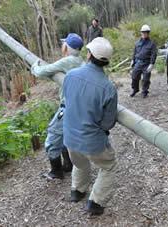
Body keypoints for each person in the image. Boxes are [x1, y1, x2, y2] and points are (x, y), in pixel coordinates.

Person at [62, 37, 117, 216]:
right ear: (106, 62)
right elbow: (108, 122)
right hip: (92, 142)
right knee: (109, 166)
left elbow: (66, 102)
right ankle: (95, 203)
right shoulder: (108, 88)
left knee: (80, 161)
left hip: (69, 138)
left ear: (88, 55)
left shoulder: (70, 76)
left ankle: (77, 191)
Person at [31, 33, 84, 180]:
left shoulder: (68, 61)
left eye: (64, 44)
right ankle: (68, 165)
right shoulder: (81, 61)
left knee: (53, 136)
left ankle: (56, 171)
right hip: (79, 108)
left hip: (68, 107)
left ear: (67, 46)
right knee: (66, 135)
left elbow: (42, 72)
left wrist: (35, 65)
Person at [130, 24, 157, 98]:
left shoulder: (152, 44)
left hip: (146, 64)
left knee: (145, 79)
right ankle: (135, 89)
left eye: (146, 32)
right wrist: (133, 60)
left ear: (148, 33)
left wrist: (151, 64)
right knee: (134, 77)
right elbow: (134, 52)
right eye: (143, 32)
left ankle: (145, 91)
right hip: (138, 63)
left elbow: (153, 54)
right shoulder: (137, 43)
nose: (144, 34)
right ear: (141, 32)